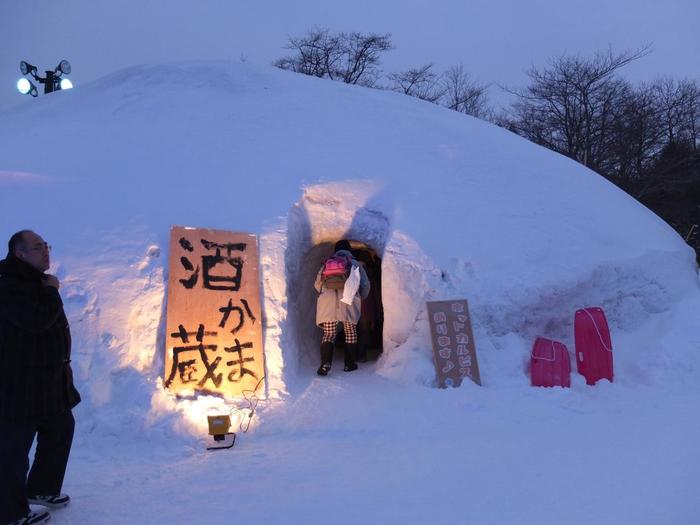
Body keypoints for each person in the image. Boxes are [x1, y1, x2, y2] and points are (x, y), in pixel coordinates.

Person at [0, 230, 81, 525]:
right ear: (19, 253)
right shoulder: (9, 284)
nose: (45, 251)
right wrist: (51, 290)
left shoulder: (35, 280)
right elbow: (36, 320)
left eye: (46, 245)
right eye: (37, 247)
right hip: (18, 385)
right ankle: (9, 513)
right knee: (13, 450)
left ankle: (42, 489)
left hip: (48, 382)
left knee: (61, 429)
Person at [314, 240, 370, 376]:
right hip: (348, 300)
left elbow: (317, 284)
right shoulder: (354, 263)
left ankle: (325, 363)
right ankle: (349, 364)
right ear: (349, 250)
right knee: (350, 332)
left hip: (328, 302)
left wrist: (327, 293)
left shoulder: (327, 263)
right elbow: (365, 284)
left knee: (329, 334)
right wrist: (359, 297)